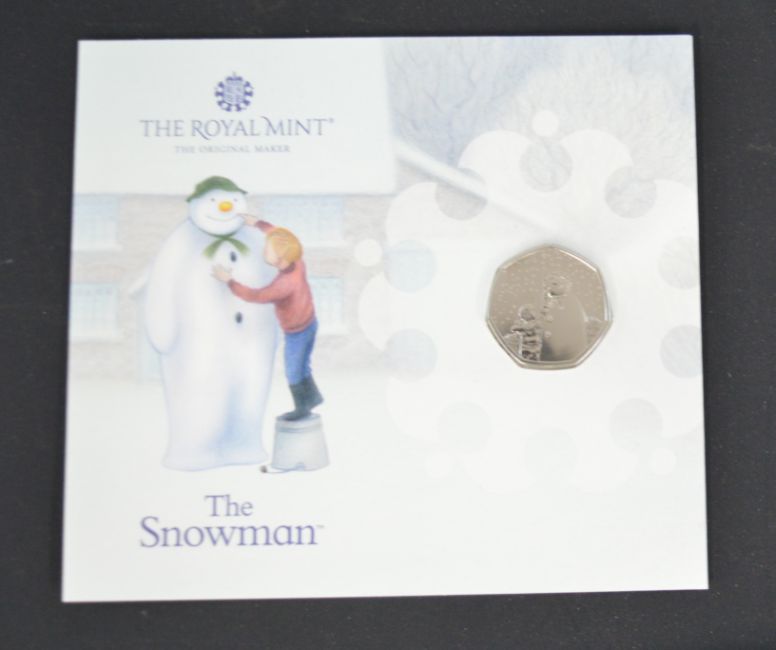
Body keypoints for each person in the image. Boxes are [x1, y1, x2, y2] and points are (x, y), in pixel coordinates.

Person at [212, 215, 323, 421]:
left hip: (297, 332)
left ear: (280, 259)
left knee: (293, 370)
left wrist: (229, 281)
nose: (264, 250)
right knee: (303, 365)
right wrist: (257, 223)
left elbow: (256, 296)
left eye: (268, 250)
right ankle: (313, 398)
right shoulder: (296, 260)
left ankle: (302, 407)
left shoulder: (284, 285)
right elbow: (276, 234)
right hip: (310, 323)